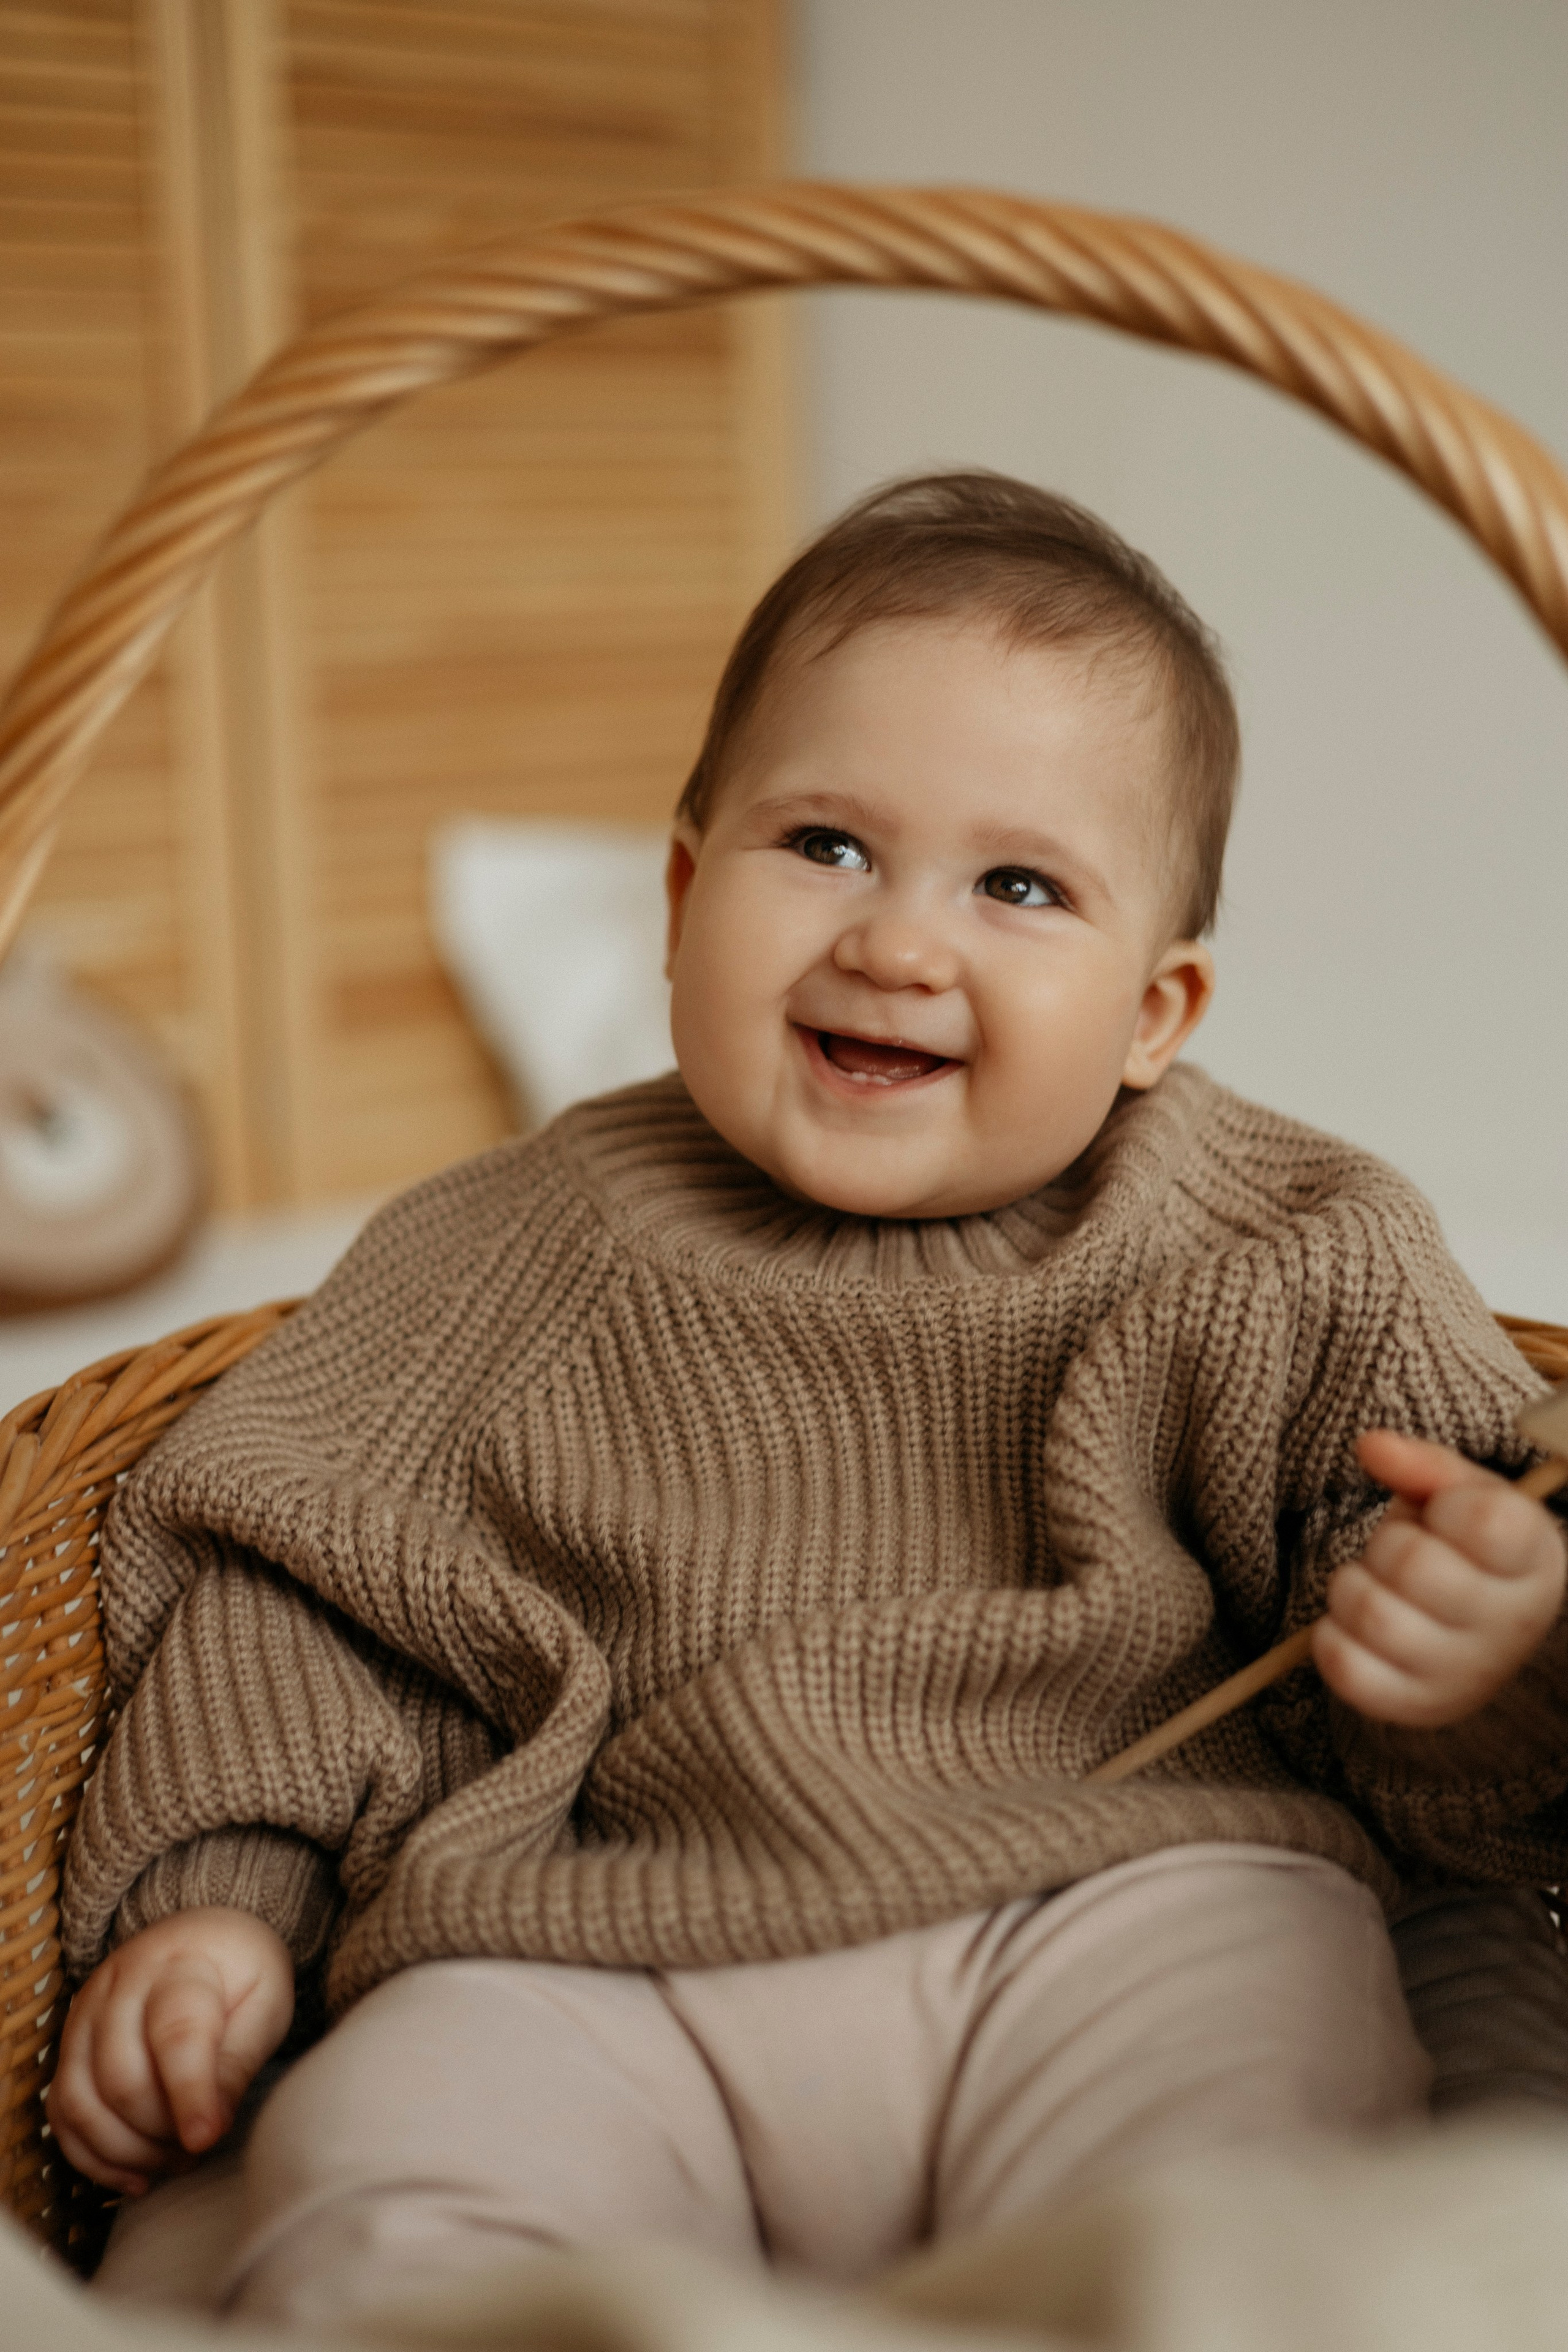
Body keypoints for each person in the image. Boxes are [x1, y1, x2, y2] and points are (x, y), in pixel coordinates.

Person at [51, 475, 1568, 2331]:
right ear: (685, 891)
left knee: (1262, 2162)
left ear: (1159, 1011)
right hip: (601, 1944)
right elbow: (299, 1590)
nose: (899, 944)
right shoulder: (495, 1252)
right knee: (382, 2155)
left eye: (1020, 887)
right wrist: (220, 1904)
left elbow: (1471, 1580)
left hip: (1133, 1894)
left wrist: (1493, 1644)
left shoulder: (1293, 1250)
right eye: (827, 846)